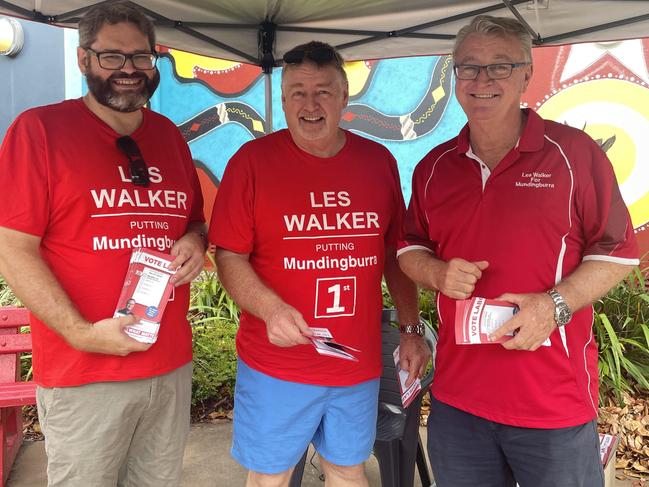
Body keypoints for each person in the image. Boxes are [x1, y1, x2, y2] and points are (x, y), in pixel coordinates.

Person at [397, 15, 639, 487]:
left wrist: (554, 306)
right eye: (469, 67)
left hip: (552, 402)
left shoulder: (574, 154)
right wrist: (437, 273)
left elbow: (618, 251)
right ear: (455, 74)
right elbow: (409, 247)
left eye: (499, 66)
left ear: (527, 73)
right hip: (458, 401)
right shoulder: (433, 168)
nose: (482, 81)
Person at [0, 2, 206, 486]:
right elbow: (13, 249)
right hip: (85, 370)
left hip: (168, 364)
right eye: (112, 57)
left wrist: (196, 242)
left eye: (141, 57)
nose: (129, 70)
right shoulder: (40, 131)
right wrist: (81, 334)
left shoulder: (170, 137)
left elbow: (195, 222)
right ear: (83, 59)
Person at [209, 41, 431, 487]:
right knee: (270, 476)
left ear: (345, 97)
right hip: (278, 363)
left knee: (348, 471)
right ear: (284, 98)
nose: (310, 105)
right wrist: (270, 310)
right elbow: (229, 255)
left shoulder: (378, 163)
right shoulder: (252, 163)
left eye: (323, 92)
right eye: (297, 93)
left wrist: (410, 329)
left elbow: (395, 255)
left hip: (356, 362)